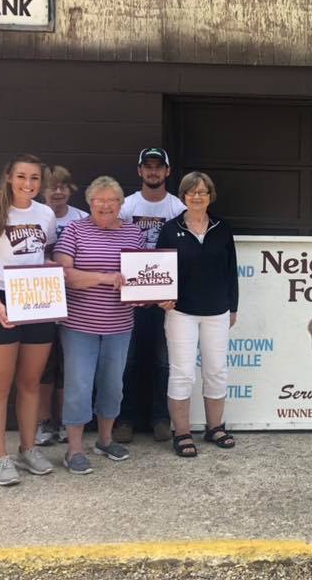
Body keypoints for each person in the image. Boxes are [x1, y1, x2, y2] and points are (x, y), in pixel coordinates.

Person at [0, 153, 58, 486]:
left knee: (31, 382)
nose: (28, 184)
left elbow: (43, 253)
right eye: (21, 176)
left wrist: (49, 272)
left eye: (34, 178)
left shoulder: (45, 214)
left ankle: (28, 447)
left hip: (35, 299)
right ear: (9, 177)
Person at [53, 176, 149, 474]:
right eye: (99, 200)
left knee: (112, 385)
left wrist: (142, 296)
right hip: (79, 325)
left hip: (120, 324)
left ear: (121, 204)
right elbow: (64, 274)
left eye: (112, 200)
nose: (105, 205)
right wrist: (106, 277)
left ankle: (105, 440)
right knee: (79, 385)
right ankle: (75, 449)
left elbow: (145, 277)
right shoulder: (75, 230)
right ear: (89, 203)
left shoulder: (134, 234)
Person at [157, 171, 239, 457]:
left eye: (202, 192)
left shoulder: (222, 228)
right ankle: (181, 432)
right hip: (182, 313)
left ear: (210, 195)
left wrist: (234, 307)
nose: (197, 196)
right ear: (183, 196)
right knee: (182, 373)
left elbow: (232, 271)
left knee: (216, 370)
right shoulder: (170, 229)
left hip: (217, 311)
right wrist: (161, 298)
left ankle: (215, 427)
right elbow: (159, 270)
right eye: (191, 192)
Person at [115, 148, 186, 443]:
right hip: (130, 296)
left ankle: (160, 417)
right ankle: (125, 418)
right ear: (140, 171)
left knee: (162, 360)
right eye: (149, 166)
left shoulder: (178, 208)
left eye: (159, 167)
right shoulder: (126, 206)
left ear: (168, 171)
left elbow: (187, 254)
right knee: (126, 360)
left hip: (165, 297)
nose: (154, 172)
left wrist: (175, 293)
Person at [36, 165, 88, 447]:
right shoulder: (33, 216)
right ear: (42, 190)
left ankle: (69, 421)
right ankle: (44, 423)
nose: (57, 191)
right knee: (44, 366)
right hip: (40, 301)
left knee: (71, 367)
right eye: (52, 186)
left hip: (76, 302)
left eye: (63, 186)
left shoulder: (82, 218)